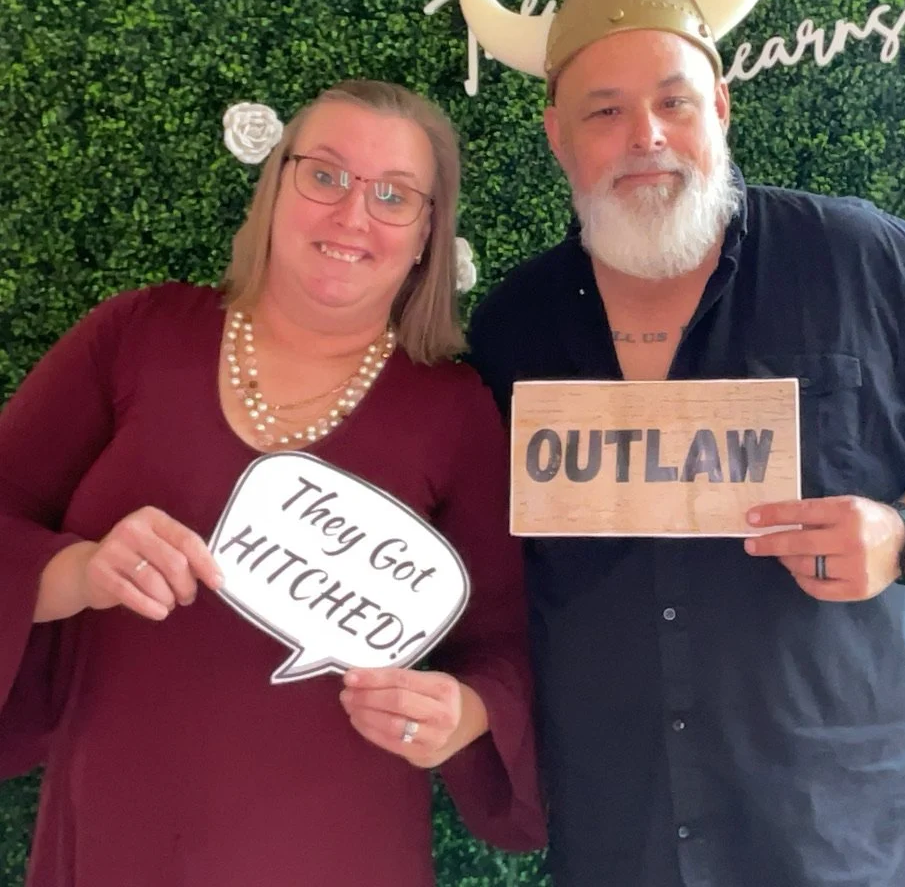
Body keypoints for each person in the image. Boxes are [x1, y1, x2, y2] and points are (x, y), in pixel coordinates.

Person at [455, 0, 905, 887]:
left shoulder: (857, 256)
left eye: (673, 101)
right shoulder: (514, 323)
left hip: (848, 835)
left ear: (721, 109)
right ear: (557, 135)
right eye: (603, 112)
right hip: (623, 838)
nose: (645, 136)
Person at [0, 79, 545, 886]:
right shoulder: (138, 335)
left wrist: (463, 714)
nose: (353, 215)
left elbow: (508, 642)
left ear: (427, 232)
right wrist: (76, 572)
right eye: (325, 175)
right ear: (275, 185)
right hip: (116, 831)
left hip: (339, 849)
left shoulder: (454, 411)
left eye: (394, 195)